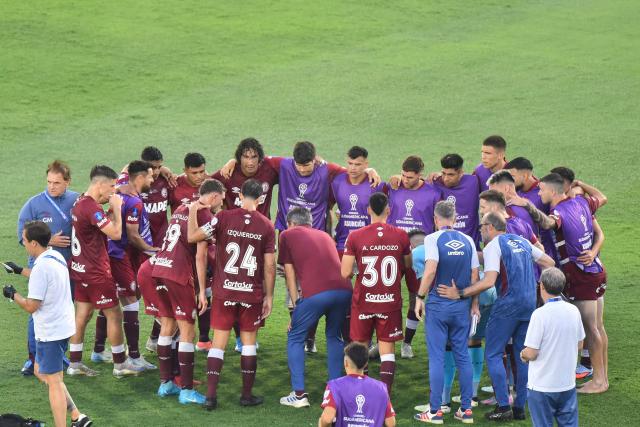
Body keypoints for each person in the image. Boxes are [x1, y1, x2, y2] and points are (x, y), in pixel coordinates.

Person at [437, 212, 555, 422]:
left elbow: (489, 281)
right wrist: (539, 285)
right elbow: (549, 262)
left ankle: (503, 406)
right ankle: (519, 408)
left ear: (490, 227)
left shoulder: (494, 245)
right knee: (522, 355)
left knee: (493, 353)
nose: (481, 232)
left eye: (482, 227)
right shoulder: (523, 241)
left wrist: (461, 293)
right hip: (529, 304)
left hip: (507, 305)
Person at [510, 173, 608, 394]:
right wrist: (581, 184)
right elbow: (601, 198)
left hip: (581, 276)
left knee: (591, 330)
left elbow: (547, 222)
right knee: (598, 328)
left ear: (553, 192)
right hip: (596, 271)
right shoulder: (582, 201)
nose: (539, 193)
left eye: (541, 189)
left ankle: (599, 381)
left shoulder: (559, 212)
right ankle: (602, 378)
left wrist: (526, 205)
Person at [3, 221, 92, 427]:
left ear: (34, 243)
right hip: (63, 325)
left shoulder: (42, 267)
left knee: (53, 382)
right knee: (40, 371)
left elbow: (31, 306)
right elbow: (42, 277)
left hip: (50, 331)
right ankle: (77, 415)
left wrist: (12, 294)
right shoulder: (55, 256)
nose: (23, 244)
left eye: (24, 241)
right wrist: (19, 270)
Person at [202, 179, 276, 410]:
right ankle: (246, 395)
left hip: (225, 290)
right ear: (262, 199)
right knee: (249, 344)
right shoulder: (266, 226)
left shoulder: (223, 217)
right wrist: (269, 296)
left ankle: (210, 397)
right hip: (251, 294)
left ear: (240, 194)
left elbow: (198, 236)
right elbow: (270, 265)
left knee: (218, 343)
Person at [152, 179, 225, 405]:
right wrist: (203, 291)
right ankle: (186, 390)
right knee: (187, 330)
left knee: (167, 325)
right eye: (221, 199)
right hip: (178, 274)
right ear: (213, 197)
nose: (222, 203)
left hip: (159, 269)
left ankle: (165, 384)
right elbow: (200, 255)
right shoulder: (204, 216)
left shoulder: (183, 207)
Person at [6, 160, 79, 376]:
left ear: (67, 182)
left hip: (69, 268)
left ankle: (57, 355)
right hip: (40, 267)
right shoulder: (33, 205)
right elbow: (23, 236)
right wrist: (49, 241)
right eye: (49, 182)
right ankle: (33, 358)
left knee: (65, 309)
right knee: (36, 312)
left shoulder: (76, 200)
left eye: (57, 182)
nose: (52, 186)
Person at [341, 192, 417, 395]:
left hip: (364, 301)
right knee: (387, 353)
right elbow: (408, 266)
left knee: (359, 349)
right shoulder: (401, 235)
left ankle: (360, 394)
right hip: (389, 301)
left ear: (367, 210)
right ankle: (385, 397)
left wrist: (361, 266)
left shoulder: (355, 236)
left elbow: (345, 272)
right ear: (388, 210)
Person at [67, 165, 140, 377]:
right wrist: (116, 207)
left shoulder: (80, 201)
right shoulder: (91, 208)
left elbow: (93, 229)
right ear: (99, 184)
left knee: (82, 315)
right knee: (115, 316)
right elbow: (116, 234)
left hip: (80, 269)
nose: (113, 192)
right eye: (111, 187)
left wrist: (107, 209)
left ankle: (74, 363)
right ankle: (120, 364)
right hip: (96, 273)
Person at [278, 207, 353, 408]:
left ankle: (299, 395)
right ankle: (334, 393)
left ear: (291, 223)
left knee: (295, 336)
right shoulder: (325, 235)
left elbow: (289, 271)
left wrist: (295, 305)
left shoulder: (287, 234)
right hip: (345, 290)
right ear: (310, 223)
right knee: (334, 336)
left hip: (317, 293)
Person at [413, 201, 479, 424]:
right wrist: (473, 303)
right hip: (461, 305)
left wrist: (419, 297)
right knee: (462, 355)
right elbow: (474, 278)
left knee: (437, 358)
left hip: (439, 305)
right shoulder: (468, 240)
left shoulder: (432, 239)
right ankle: (466, 410)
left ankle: (435, 411)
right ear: (455, 217)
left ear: (435, 218)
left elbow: (430, 271)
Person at [103, 160, 158, 370]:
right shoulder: (134, 203)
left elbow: (126, 167)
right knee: (130, 304)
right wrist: (152, 250)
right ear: (141, 177)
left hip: (120, 255)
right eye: (151, 176)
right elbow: (133, 236)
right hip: (120, 255)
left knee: (112, 305)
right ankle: (132, 358)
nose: (153, 180)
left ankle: (99, 350)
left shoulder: (122, 184)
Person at [521, 268, 584, 427]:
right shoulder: (573, 310)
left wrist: (523, 354)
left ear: (541, 286)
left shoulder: (539, 315)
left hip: (542, 386)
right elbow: (580, 344)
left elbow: (532, 352)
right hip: (567, 384)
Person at [318, 342, 396, 427]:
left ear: (346, 363)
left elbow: (327, 419)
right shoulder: (381, 388)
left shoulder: (334, 386)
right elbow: (390, 423)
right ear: (366, 364)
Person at [212, 137, 282, 218]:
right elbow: (204, 184)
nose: (250, 163)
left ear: (260, 158)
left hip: (261, 228)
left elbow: (292, 165)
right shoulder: (228, 172)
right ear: (239, 158)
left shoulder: (269, 169)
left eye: (254, 157)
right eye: (246, 157)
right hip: (234, 228)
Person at [433, 153, 481, 245]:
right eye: (443, 173)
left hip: (470, 246)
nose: (446, 178)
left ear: (461, 173)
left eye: (451, 175)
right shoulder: (435, 182)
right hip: (444, 246)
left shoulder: (474, 182)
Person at [387, 155, 442, 234]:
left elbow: (440, 221)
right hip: (396, 243)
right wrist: (370, 170)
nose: (405, 180)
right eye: (403, 175)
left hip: (421, 243)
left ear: (420, 175)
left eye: (410, 177)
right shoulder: (393, 186)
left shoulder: (434, 193)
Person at [401, 229, 426, 359]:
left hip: (436, 286)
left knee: (418, 302)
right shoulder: (406, 254)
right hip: (415, 286)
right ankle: (382, 342)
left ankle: (406, 343)